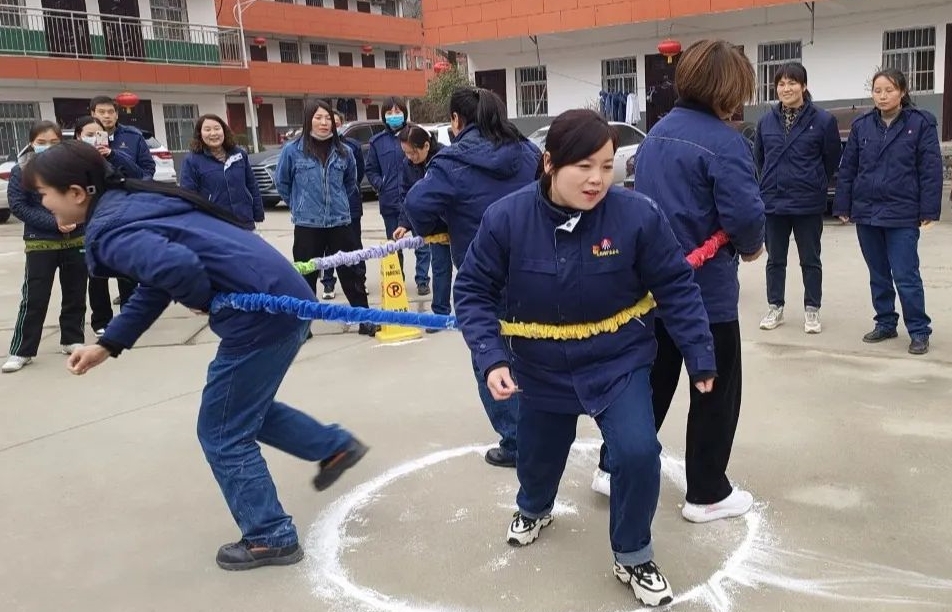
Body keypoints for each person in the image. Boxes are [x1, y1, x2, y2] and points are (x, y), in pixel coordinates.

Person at [28, 139, 369, 570]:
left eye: (43, 194)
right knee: (243, 408)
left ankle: (269, 535)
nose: (42, 203)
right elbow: (159, 279)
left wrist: (203, 300)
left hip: (260, 313)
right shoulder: (133, 204)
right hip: (280, 299)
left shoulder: (114, 228)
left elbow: (176, 270)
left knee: (222, 431)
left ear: (76, 193)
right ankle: (333, 447)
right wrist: (109, 343)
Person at [454, 109, 716, 607]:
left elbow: (676, 286)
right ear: (550, 163)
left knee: (638, 452)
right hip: (539, 365)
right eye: (584, 166)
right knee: (537, 453)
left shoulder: (637, 215)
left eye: (607, 164)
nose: (598, 179)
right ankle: (534, 507)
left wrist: (700, 356)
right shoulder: (506, 218)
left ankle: (634, 553)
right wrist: (492, 358)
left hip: (618, 361)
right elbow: (472, 289)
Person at [627, 40, 765, 522]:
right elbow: (745, 216)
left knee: (651, 381)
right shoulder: (726, 143)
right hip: (705, 293)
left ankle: (613, 464)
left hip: (653, 289)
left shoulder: (656, 135)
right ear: (729, 88)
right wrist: (752, 247)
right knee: (714, 389)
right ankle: (706, 491)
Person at [405, 87, 540, 468]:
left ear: (456, 121)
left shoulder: (451, 163)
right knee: (536, 350)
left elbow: (417, 204)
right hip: (537, 268)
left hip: (485, 277)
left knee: (491, 353)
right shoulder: (529, 151)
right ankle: (544, 430)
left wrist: (436, 225)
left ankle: (516, 441)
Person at [833, 67, 943, 355]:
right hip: (867, 212)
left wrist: (929, 208)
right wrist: (843, 205)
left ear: (903, 92)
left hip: (903, 212)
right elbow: (849, 168)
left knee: (906, 274)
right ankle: (885, 321)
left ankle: (919, 330)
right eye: (877, 90)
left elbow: (930, 169)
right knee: (878, 272)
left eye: (889, 90)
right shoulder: (862, 125)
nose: (883, 96)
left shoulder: (920, 123)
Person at [275, 99, 377, 336]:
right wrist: (299, 205)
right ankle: (303, 325)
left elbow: (351, 183)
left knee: (351, 273)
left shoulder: (344, 151)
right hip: (307, 224)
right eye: (318, 117)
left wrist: (337, 204)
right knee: (305, 276)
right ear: (308, 119)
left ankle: (364, 319)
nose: (324, 122)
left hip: (340, 222)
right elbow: (282, 183)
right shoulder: (293, 151)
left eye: (327, 118)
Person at [754, 62, 841, 334]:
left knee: (810, 259)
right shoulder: (765, 122)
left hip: (807, 203)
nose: (786, 88)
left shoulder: (823, 121)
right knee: (775, 259)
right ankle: (775, 307)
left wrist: (814, 182)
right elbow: (759, 159)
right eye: (781, 83)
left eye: (792, 83)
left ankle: (812, 310)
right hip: (774, 202)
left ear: (804, 86)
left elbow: (832, 159)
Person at [2, 122, 87, 374]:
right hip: (41, 242)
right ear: (31, 143)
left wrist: (76, 219)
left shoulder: (75, 169)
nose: (48, 147)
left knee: (75, 292)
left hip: (76, 239)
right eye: (41, 142)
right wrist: (55, 222)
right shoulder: (22, 171)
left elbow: (88, 196)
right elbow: (18, 206)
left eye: (54, 142)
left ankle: (72, 338)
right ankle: (21, 350)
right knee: (35, 297)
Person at [87, 95, 156, 330]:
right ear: (93, 113)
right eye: (101, 111)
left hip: (127, 205)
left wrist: (137, 189)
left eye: (110, 112)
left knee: (126, 263)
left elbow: (147, 170)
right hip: (94, 208)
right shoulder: (84, 136)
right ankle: (101, 321)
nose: (106, 116)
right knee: (96, 268)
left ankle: (130, 316)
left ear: (117, 114)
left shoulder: (133, 137)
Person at [74, 116, 146, 335]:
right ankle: (101, 320)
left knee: (125, 271)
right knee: (96, 275)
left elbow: (137, 175)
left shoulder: (113, 156)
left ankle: (129, 317)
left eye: (99, 134)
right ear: (78, 136)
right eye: (89, 135)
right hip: (88, 223)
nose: (94, 139)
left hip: (118, 219)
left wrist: (112, 155)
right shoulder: (71, 160)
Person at [366, 96, 431, 295]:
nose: (394, 116)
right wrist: (381, 185)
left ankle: (422, 280)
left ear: (404, 112)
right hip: (390, 202)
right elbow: (371, 169)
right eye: (389, 112)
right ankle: (398, 280)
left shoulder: (415, 134)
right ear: (384, 116)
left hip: (418, 200)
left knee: (422, 244)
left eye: (397, 111)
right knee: (395, 245)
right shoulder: (377, 142)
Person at [393, 124, 453, 327]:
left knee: (469, 268)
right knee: (440, 269)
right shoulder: (407, 165)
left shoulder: (446, 158)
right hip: (434, 228)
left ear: (426, 145)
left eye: (413, 152)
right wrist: (404, 223)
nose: (410, 157)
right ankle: (441, 316)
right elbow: (406, 196)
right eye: (406, 153)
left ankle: (475, 313)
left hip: (457, 223)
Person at [180, 114, 264, 230]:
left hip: (243, 220)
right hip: (214, 224)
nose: (213, 133)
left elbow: (252, 185)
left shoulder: (239, 154)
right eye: (207, 130)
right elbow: (188, 195)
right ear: (200, 134)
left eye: (217, 128)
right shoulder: (192, 160)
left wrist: (258, 212)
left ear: (224, 131)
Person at [321, 110, 366, 300]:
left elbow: (357, 174)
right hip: (322, 212)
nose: (333, 126)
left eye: (337, 123)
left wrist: (344, 196)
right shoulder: (309, 149)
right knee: (327, 249)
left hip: (351, 207)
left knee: (354, 245)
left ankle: (359, 281)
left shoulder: (351, 148)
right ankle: (328, 284)